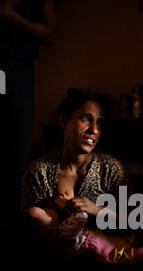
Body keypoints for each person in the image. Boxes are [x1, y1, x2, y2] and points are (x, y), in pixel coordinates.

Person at [21, 88, 143, 264]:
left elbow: (133, 221)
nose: (94, 130)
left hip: (107, 258)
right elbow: (29, 232)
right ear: (63, 120)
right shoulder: (39, 173)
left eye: (100, 123)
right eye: (86, 118)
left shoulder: (110, 169)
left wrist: (96, 210)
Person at [0, 0, 56, 219]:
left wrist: (10, 16)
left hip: (19, 71)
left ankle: (11, 227)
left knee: (17, 154)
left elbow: (50, 34)